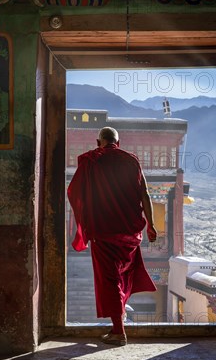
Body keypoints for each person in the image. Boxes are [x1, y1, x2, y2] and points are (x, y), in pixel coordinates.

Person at [67, 126, 158, 346]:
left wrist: (85, 217)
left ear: (99, 142)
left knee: (110, 280)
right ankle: (120, 321)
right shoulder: (132, 160)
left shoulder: (91, 161)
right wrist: (151, 226)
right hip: (130, 232)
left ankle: (118, 331)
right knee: (123, 274)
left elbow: (74, 191)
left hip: (104, 231)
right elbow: (144, 193)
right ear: (118, 142)